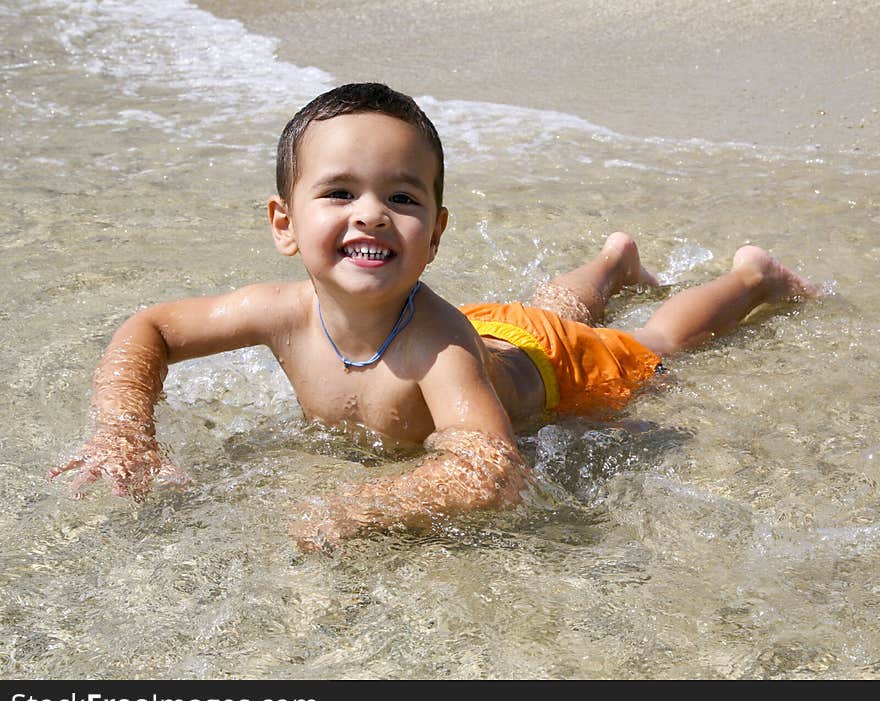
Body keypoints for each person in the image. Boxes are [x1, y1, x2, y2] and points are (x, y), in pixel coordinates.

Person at [49, 82, 819, 551]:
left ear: (435, 234)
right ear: (283, 223)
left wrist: (362, 505)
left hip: (554, 367)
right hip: (501, 328)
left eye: (403, 197)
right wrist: (124, 430)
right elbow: (148, 329)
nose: (373, 215)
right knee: (543, 307)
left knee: (649, 342)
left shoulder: (438, 348)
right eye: (340, 192)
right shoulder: (279, 311)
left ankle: (751, 277)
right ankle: (614, 262)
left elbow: (489, 469)